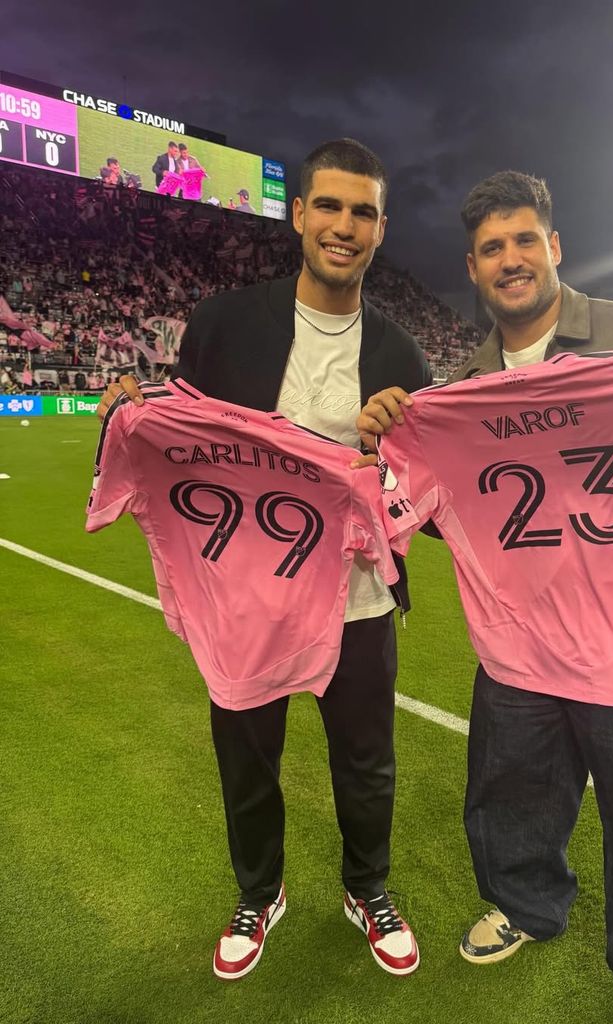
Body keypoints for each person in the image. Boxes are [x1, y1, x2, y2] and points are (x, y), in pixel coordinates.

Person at [356, 170, 613, 1024]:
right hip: (518, 645)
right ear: (472, 268)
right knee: (511, 798)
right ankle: (527, 906)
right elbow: (450, 519)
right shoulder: (459, 386)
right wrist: (387, 443)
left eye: (523, 240)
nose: (510, 259)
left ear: (553, 247)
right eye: (490, 248)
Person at [95, 138, 430, 981]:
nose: (344, 226)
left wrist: (389, 454)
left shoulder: (401, 354)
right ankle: (260, 892)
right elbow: (182, 433)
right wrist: (131, 412)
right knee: (246, 759)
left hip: (357, 599)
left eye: (362, 212)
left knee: (366, 763)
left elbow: (425, 502)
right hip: (245, 595)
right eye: (330, 206)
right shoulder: (223, 323)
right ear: (299, 214)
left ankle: (367, 889)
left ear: (381, 228)